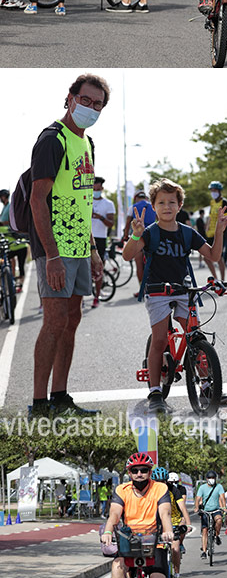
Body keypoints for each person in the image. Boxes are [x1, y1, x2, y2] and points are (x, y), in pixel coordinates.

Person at [28, 73, 109, 419]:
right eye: (86, 100)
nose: (90, 108)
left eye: (98, 105)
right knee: (54, 322)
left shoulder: (87, 143)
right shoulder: (52, 139)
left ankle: (60, 398)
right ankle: (39, 404)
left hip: (79, 247)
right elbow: (37, 200)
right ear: (70, 97)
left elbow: (83, 203)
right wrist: (52, 256)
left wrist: (92, 251)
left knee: (71, 320)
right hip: (56, 251)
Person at [123, 178, 227, 413]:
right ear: (153, 206)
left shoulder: (188, 233)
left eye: (172, 202)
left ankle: (207, 385)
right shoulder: (150, 233)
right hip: (158, 291)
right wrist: (136, 235)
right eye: (161, 202)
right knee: (159, 340)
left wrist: (219, 231)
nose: (167, 207)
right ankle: (155, 391)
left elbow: (213, 255)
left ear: (180, 206)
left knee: (195, 335)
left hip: (183, 290)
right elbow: (128, 256)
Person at [101, 451, 173, 578]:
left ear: (149, 472)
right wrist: (108, 531)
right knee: (117, 567)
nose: (139, 474)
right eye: (135, 470)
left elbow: (165, 513)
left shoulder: (160, 489)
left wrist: (167, 531)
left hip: (154, 540)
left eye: (143, 470)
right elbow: (114, 515)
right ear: (129, 473)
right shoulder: (121, 490)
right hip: (129, 540)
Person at [152, 468, 191, 578]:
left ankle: (177, 576)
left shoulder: (174, 490)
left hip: (173, 522)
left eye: (163, 482)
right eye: (158, 482)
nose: (161, 485)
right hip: (156, 524)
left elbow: (182, 508)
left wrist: (188, 523)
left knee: (175, 548)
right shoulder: (150, 491)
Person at [123, 188, 156, 290]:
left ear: (136, 198)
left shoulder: (133, 207)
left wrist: (125, 236)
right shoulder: (153, 207)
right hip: (152, 237)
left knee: (139, 265)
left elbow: (128, 223)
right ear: (146, 198)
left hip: (138, 238)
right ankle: (153, 287)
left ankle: (142, 288)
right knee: (153, 264)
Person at [91, 176, 115, 307]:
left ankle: (97, 295)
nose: (96, 191)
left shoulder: (108, 204)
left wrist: (99, 217)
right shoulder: (85, 201)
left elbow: (111, 224)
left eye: (98, 189)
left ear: (102, 189)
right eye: (94, 189)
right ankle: (81, 299)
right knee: (84, 269)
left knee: (98, 269)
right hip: (85, 238)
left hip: (100, 238)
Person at [195, 470, 226, 559]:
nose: (212, 479)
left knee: (219, 520)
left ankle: (217, 535)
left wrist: (224, 507)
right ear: (206, 479)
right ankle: (204, 551)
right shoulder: (202, 487)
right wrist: (196, 507)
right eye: (210, 478)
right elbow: (197, 499)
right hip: (205, 511)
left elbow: (222, 498)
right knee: (205, 530)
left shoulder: (219, 487)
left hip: (216, 510)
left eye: (213, 478)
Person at [203, 180, 227, 280]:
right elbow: (210, 217)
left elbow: (226, 219)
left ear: (219, 191)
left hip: (219, 233)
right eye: (211, 190)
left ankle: (222, 280)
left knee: (219, 258)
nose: (213, 192)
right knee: (206, 258)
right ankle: (215, 278)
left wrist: (221, 231)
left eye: (214, 190)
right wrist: (206, 228)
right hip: (210, 233)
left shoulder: (224, 202)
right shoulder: (212, 202)